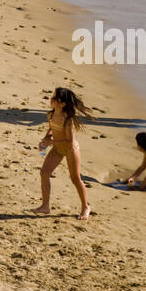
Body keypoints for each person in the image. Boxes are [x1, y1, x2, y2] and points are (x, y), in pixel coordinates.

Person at [33, 88, 93, 220]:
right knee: (44, 173)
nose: (52, 99)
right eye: (52, 96)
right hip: (57, 148)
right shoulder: (51, 114)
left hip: (70, 150)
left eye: (55, 98)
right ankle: (45, 206)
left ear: (63, 104)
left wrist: (51, 142)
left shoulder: (68, 120)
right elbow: (51, 128)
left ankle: (85, 207)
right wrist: (45, 139)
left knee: (75, 179)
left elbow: (70, 141)